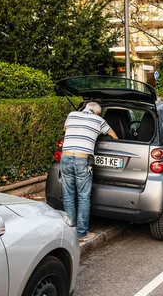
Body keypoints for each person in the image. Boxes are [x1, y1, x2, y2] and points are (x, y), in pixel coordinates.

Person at [61, 101, 118, 242]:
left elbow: (65, 129)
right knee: (83, 197)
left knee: (68, 195)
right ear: (97, 112)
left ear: (85, 108)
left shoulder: (72, 114)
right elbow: (114, 137)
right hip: (82, 160)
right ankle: (81, 233)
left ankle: (70, 232)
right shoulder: (99, 120)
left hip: (66, 157)